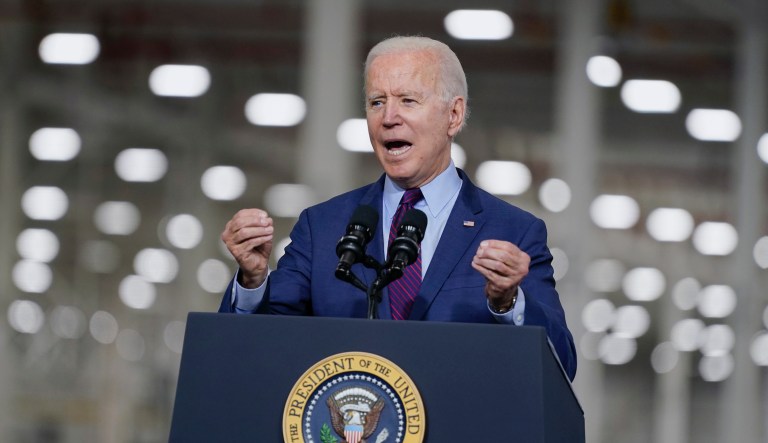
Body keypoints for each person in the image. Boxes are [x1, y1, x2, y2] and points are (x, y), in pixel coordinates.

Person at [219, 36, 576, 380]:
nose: (388, 117)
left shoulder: (513, 231)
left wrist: (508, 302)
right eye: (376, 102)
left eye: (407, 100)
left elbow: (561, 363)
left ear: (454, 115)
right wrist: (252, 281)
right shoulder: (322, 226)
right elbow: (258, 348)